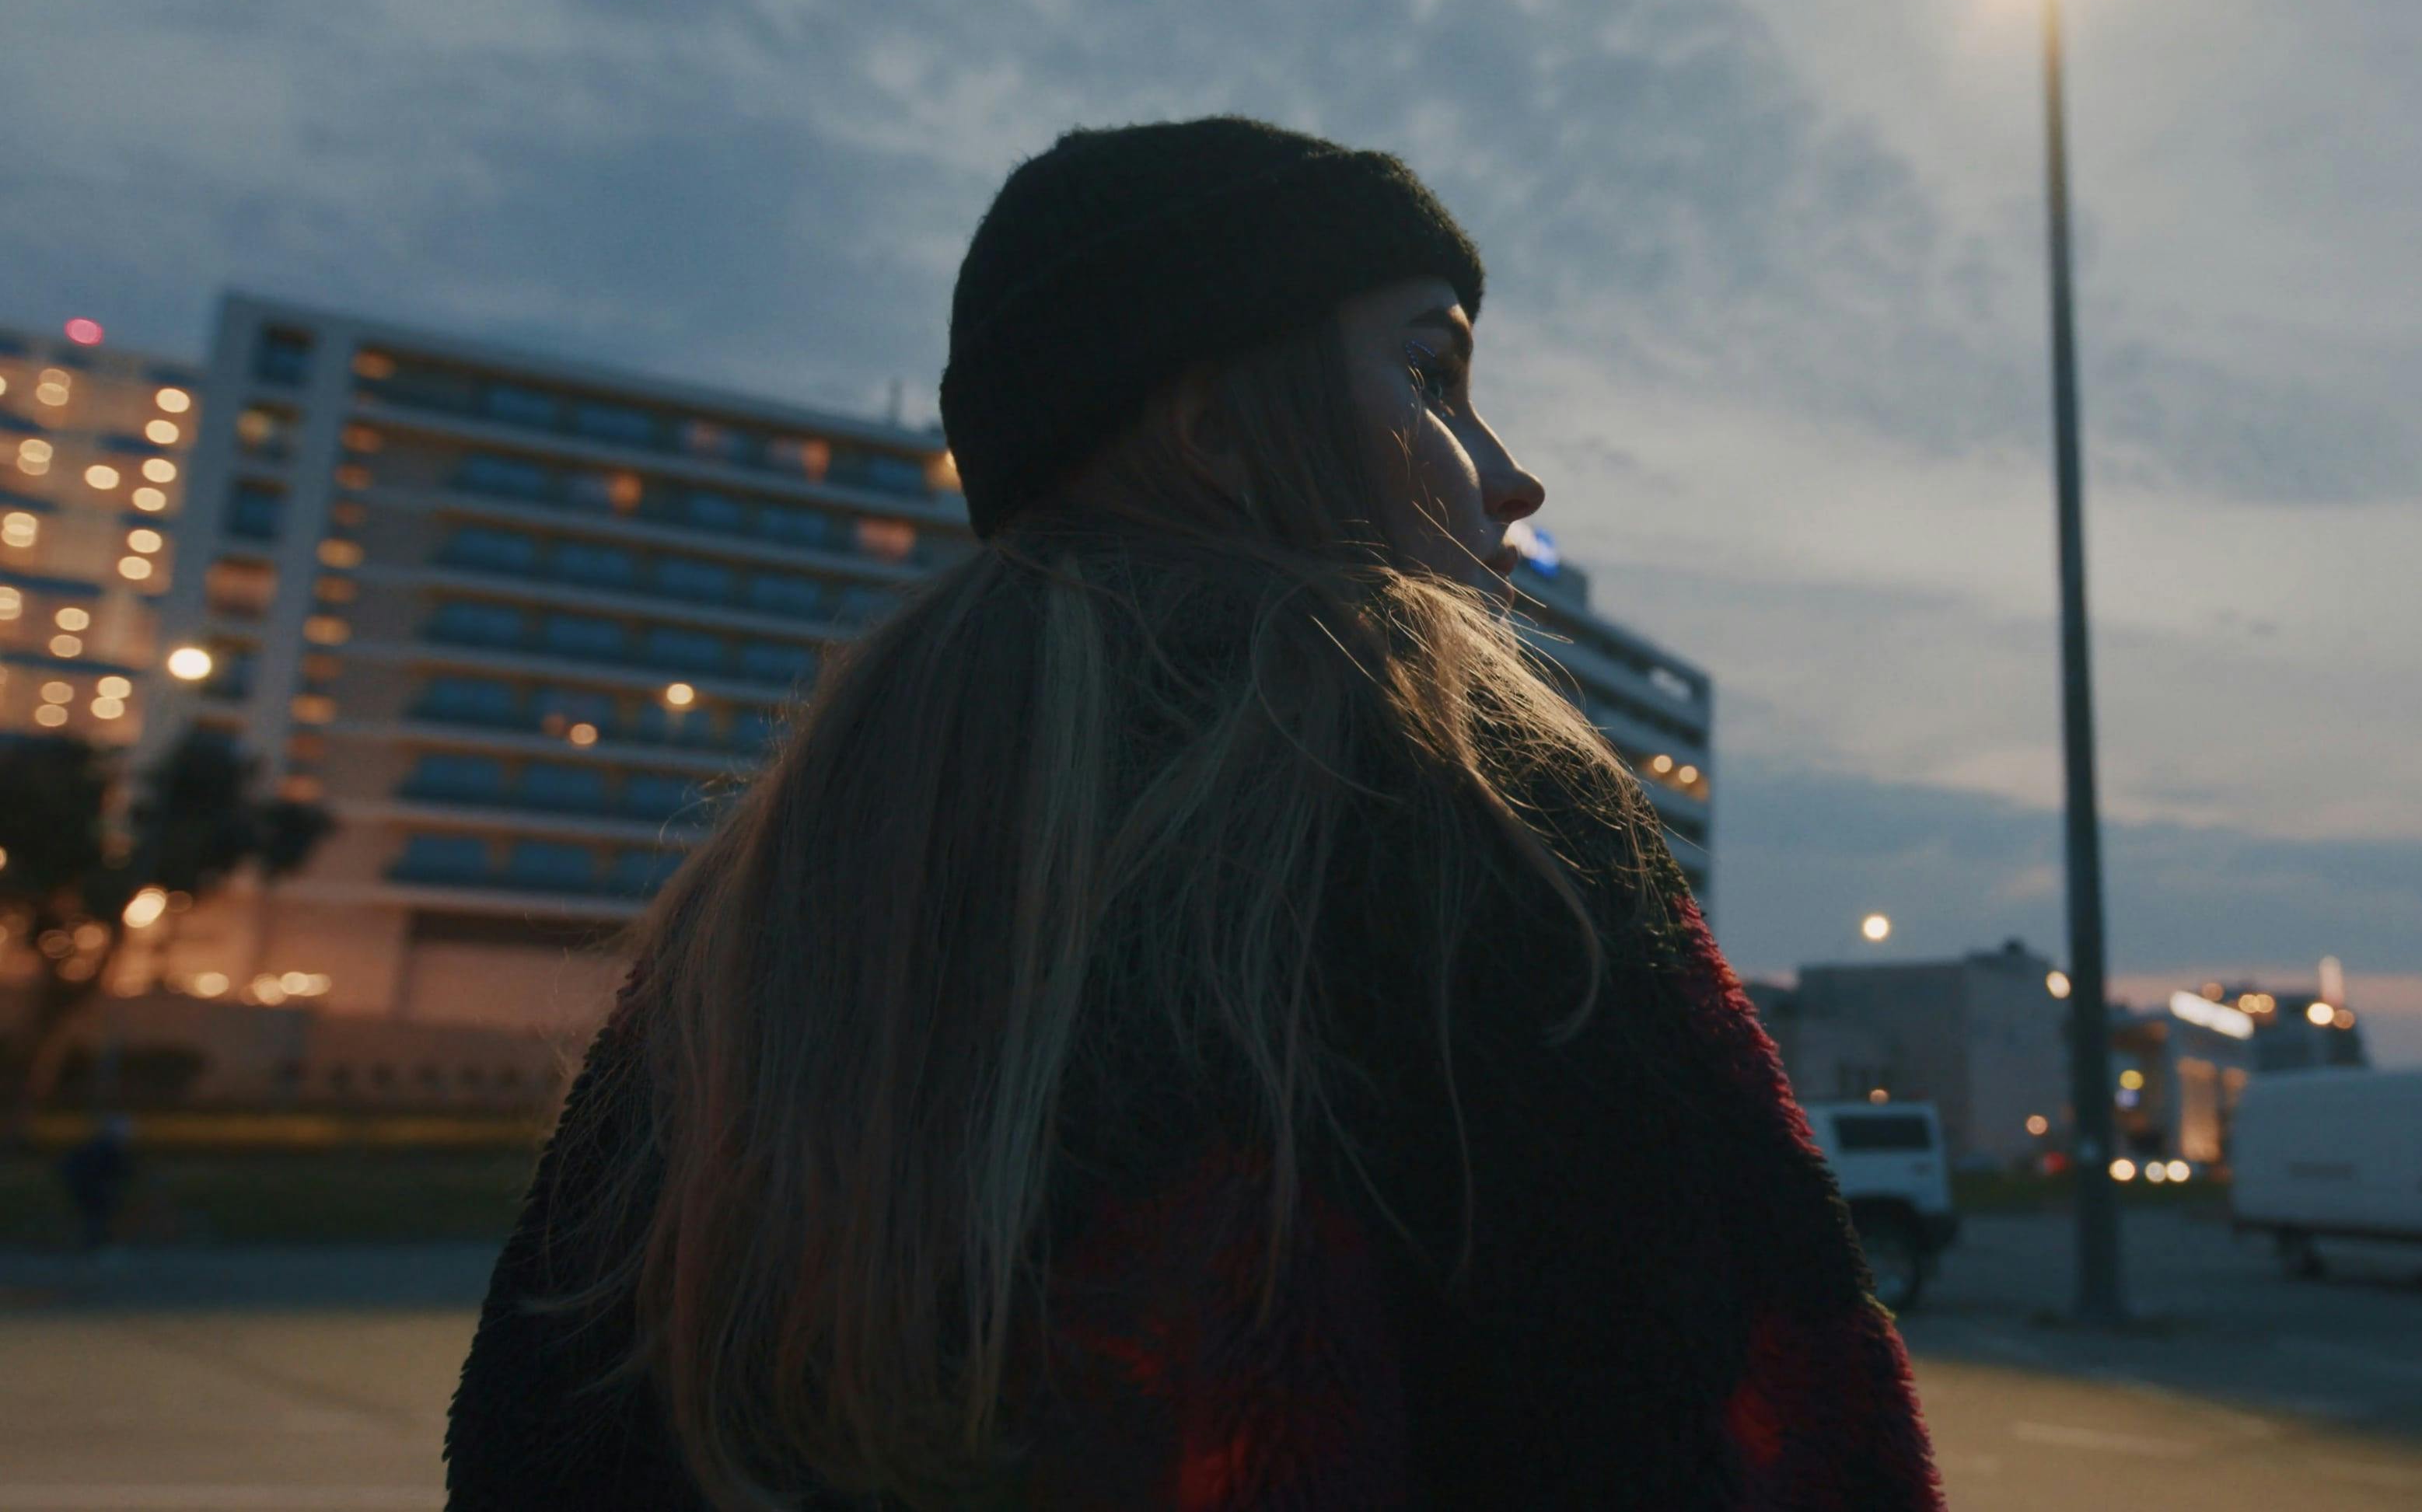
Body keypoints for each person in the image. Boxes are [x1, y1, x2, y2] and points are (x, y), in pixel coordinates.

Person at [445, 116, 1942, 1510]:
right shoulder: (1462, 815)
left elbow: (545, 1430)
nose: (1512, 476)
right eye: (1433, 377)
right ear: (1220, 430)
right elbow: (1773, 1414)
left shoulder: (790, 879)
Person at [59, 1115, 135, 1255]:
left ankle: (94, 1245)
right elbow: (116, 1170)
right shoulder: (106, 1148)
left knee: (96, 1217)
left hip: (87, 1188)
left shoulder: (100, 1146)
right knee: (97, 1217)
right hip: (92, 1189)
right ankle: (95, 1245)